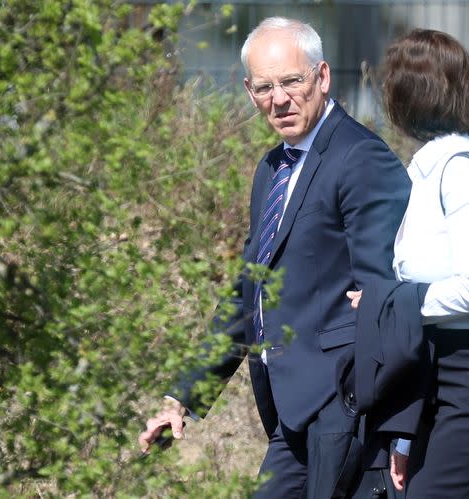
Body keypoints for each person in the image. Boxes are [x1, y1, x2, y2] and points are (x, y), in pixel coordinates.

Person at [138, 17, 411, 498]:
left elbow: (391, 299)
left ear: (321, 78)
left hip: (347, 407)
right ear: (248, 91)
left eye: (291, 81)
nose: (279, 99)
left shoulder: (361, 159)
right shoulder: (271, 170)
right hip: (291, 409)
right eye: (264, 87)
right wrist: (182, 398)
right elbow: (247, 295)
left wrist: (400, 428)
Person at [350, 29, 469, 498]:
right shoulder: (427, 172)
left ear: (404, 97)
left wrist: (392, 303)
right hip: (438, 375)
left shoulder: (462, 171)